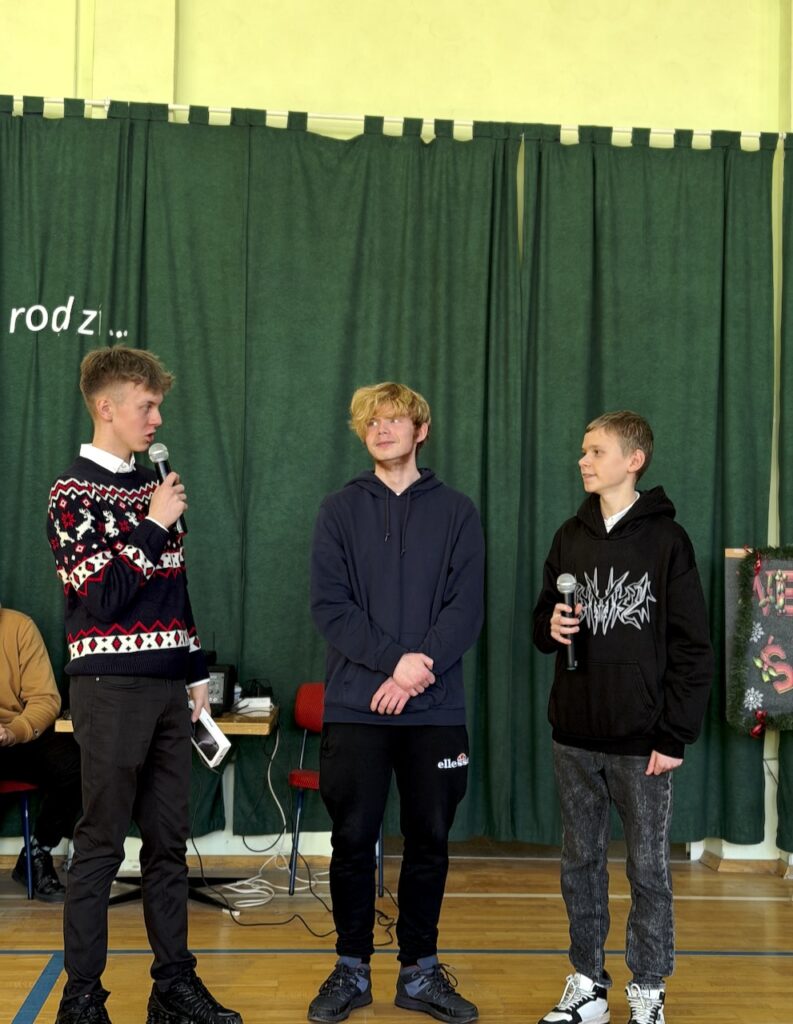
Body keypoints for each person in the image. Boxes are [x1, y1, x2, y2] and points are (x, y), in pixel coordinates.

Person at [46, 346, 241, 1024]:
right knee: (101, 844)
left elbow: (173, 591)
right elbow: (101, 597)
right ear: (106, 407)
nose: (157, 419)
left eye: (158, 406)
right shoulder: (72, 494)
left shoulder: (152, 487)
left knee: (168, 844)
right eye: (146, 406)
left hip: (166, 688)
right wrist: (154, 524)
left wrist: (193, 673)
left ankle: (173, 989)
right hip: (108, 687)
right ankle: (81, 999)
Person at [308, 382, 485, 1024]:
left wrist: (415, 673)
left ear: (421, 430)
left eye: (394, 419)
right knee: (353, 838)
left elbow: (466, 608)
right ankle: (350, 969)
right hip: (356, 707)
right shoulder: (338, 510)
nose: (382, 429)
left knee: (429, 839)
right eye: (370, 422)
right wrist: (394, 662)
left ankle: (420, 973)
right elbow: (331, 607)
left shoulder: (458, 512)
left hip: (435, 710)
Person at [532, 411, 714, 1024]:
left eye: (596, 451)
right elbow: (540, 625)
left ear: (633, 460)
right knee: (579, 864)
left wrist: (675, 734)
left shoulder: (668, 541)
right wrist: (551, 625)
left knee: (648, 870)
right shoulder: (569, 535)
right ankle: (588, 985)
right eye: (583, 451)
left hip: (644, 742)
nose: (582, 460)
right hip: (574, 736)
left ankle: (649, 990)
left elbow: (693, 647)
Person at [0, 604, 81, 901]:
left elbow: (45, 699)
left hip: (16, 734)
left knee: (76, 762)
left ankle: (36, 853)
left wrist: (14, 731)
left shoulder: (19, 627)